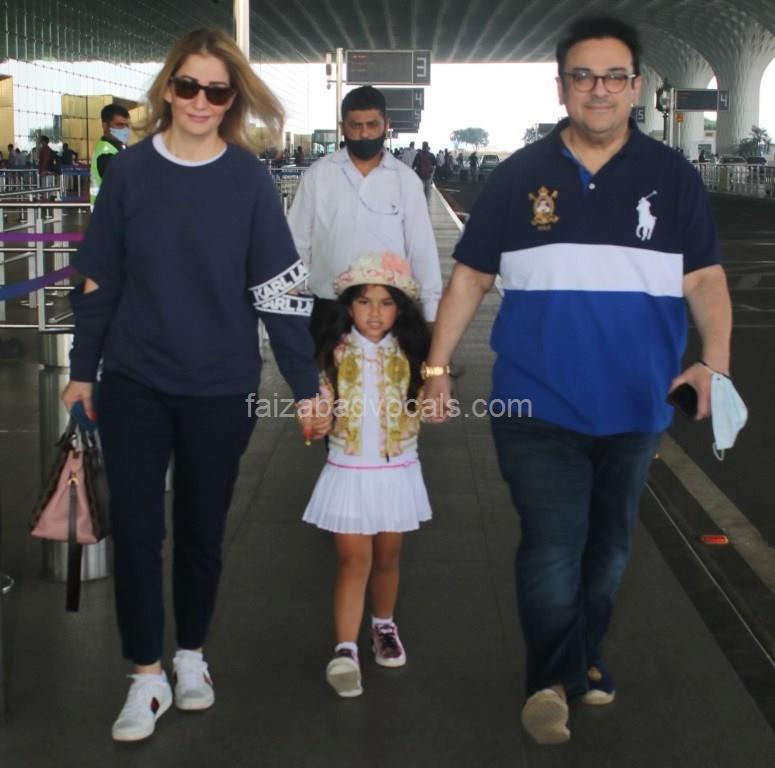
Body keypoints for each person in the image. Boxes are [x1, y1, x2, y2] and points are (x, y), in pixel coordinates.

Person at [422, 15, 732, 745]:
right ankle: (549, 681)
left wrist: (714, 363)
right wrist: (434, 369)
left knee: (608, 550)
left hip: (635, 405)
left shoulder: (672, 177)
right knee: (552, 543)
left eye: (614, 76)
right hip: (534, 402)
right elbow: (469, 277)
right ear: (560, 87)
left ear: (636, 87)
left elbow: (704, 278)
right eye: (583, 76)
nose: (599, 89)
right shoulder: (518, 177)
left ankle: (583, 656)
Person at [61, 27, 330, 743]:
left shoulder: (248, 179)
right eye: (188, 86)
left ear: (232, 98)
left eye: (217, 90)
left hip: (221, 386)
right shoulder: (129, 174)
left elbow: (278, 291)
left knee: (202, 530)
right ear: (168, 89)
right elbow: (99, 280)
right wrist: (82, 370)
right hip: (135, 382)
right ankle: (145, 674)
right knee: (139, 530)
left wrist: (306, 384)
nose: (201, 101)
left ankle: (190, 656)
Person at [303, 252, 432, 698]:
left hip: (397, 470)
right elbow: (317, 408)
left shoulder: (415, 356)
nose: (374, 313)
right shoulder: (331, 357)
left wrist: (437, 401)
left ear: (401, 309)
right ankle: (345, 650)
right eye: (364, 302)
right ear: (348, 307)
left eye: (386, 302)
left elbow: (432, 403)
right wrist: (315, 421)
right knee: (353, 561)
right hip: (349, 469)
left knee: (388, 559)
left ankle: (383, 625)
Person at [287, 85, 441, 345]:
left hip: (390, 313)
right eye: (355, 126)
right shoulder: (318, 176)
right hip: (329, 312)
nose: (364, 134)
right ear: (342, 127)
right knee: (325, 373)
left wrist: (430, 318)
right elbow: (296, 243)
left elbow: (421, 251)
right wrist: (292, 304)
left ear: (386, 125)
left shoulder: (406, 181)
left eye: (372, 125)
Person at [89, 102, 130, 207]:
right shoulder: (106, 155)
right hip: (108, 213)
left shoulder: (118, 149)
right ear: (105, 126)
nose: (125, 130)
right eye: (119, 125)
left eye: (127, 125)